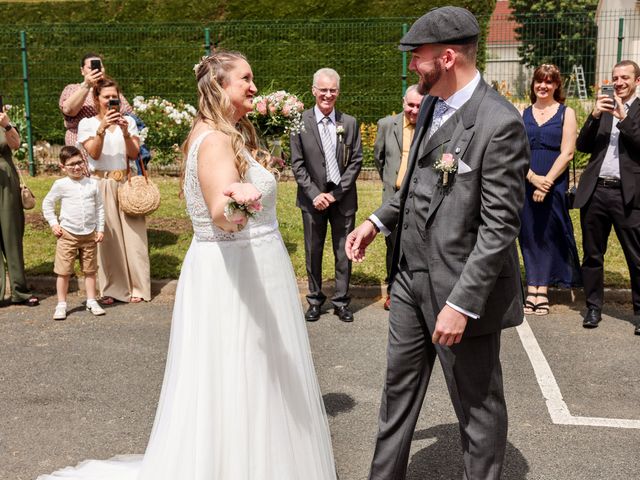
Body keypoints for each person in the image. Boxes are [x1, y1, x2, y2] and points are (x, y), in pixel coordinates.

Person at [36, 50, 337, 480]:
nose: (254, 86)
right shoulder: (214, 139)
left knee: (241, 372)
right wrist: (245, 200)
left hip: (234, 267)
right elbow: (222, 213)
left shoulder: (218, 131)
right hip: (238, 271)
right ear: (219, 86)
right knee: (245, 369)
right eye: (245, 79)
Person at [346, 6, 529, 479]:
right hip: (408, 279)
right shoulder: (429, 105)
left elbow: (499, 227)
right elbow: (413, 191)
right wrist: (376, 222)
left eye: (417, 56)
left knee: (478, 408)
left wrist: (463, 304)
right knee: (397, 395)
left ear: (447, 57)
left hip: (460, 292)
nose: (412, 65)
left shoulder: (499, 122)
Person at [290, 68, 363, 323]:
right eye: (323, 90)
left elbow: (356, 161)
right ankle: (314, 299)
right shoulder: (299, 122)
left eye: (333, 90)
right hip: (312, 201)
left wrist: (335, 194)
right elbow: (297, 164)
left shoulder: (349, 123)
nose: (328, 95)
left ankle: (342, 301)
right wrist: (314, 194)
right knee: (313, 250)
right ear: (314, 91)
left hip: (342, 199)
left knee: (344, 251)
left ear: (338, 92)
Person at [574, 60, 640, 335]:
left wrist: (624, 120)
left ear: (637, 81)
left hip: (629, 195)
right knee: (592, 254)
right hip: (596, 191)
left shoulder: (634, 110)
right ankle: (592, 307)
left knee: (636, 257)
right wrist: (592, 116)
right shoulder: (604, 108)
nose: (619, 82)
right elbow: (583, 146)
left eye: (625, 77)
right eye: (615, 77)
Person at [77, 77, 150, 304]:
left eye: (114, 97)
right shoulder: (87, 124)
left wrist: (126, 132)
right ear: (96, 99)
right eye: (106, 97)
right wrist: (101, 129)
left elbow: (133, 153)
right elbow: (94, 154)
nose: (111, 100)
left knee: (135, 238)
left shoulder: (128, 120)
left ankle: (139, 287)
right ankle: (113, 290)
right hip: (102, 184)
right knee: (108, 240)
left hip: (126, 182)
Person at [519, 64, 581, 316]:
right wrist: (532, 178)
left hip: (554, 183)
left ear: (556, 85)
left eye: (549, 82)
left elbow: (567, 152)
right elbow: (515, 152)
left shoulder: (567, 113)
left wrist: (545, 182)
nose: (543, 86)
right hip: (526, 180)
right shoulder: (522, 113)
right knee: (529, 234)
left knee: (548, 233)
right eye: (539, 81)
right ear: (533, 84)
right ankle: (530, 284)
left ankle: (541, 289)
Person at [373, 84, 424, 310]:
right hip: (393, 197)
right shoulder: (386, 125)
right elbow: (379, 158)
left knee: (416, 244)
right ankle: (393, 291)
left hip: (419, 197)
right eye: (410, 105)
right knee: (392, 246)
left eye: (418, 106)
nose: (413, 110)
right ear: (403, 102)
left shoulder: (429, 126)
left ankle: (414, 292)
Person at [42, 146, 106, 321]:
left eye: (79, 162)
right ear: (63, 167)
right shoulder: (60, 185)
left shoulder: (92, 183)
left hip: (90, 235)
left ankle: (91, 300)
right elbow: (47, 204)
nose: (77, 167)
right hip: (68, 234)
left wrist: (100, 229)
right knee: (63, 271)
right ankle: (61, 304)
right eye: (71, 165)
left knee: (90, 270)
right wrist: (54, 224)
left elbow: (100, 208)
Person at [0, 106, 39, 307]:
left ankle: (19, 291)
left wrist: (6, 124)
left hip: (6, 182)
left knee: (11, 235)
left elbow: (16, 145)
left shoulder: (3, 121)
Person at [59, 53, 132, 146]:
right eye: (91, 67)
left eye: (100, 67)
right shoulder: (73, 89)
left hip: (111, 142)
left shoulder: (111, 91)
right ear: (82, 71)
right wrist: (87, 85)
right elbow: (68, 110)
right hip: (82, 143)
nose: (97, 70)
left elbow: (128, 113)